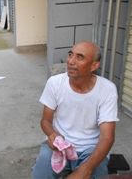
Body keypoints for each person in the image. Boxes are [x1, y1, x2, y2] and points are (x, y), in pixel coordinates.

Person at [31, 41, 119, 179]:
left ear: (94, 66)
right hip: (59, 146)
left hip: (91, 149)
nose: (70, 61)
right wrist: (53, 134)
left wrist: (86, 170)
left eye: (79, 57)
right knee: (40, 174)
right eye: (70, 54)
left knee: (96, 174)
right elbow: (46, 120)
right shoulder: (55, 83)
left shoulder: (107, 89)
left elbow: (107, 137)